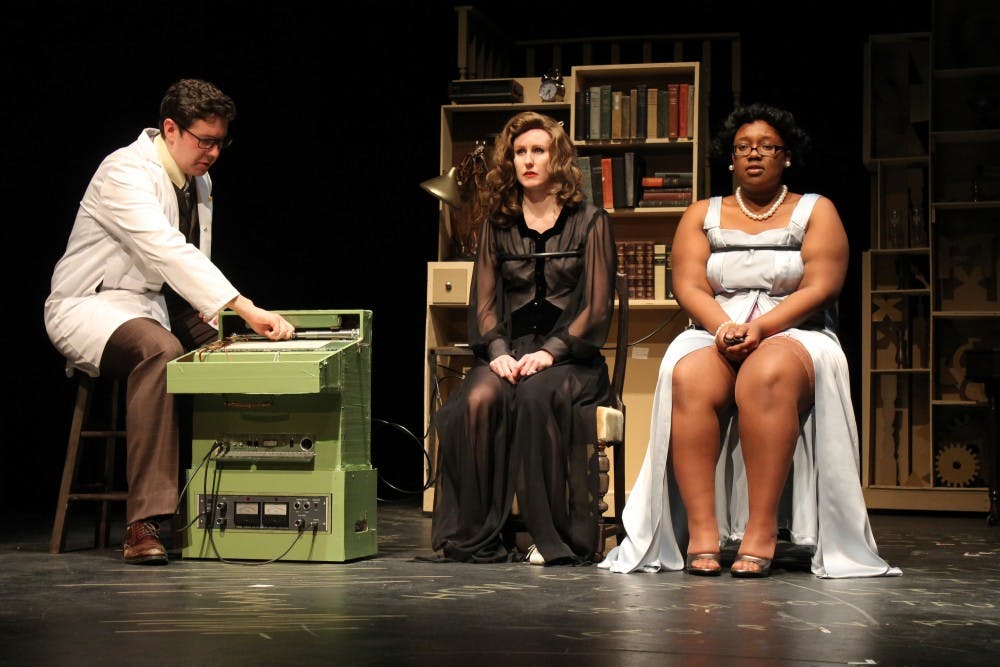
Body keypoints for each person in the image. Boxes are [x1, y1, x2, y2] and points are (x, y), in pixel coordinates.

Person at [599, 103, 901, 579]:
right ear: (731, 157)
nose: (754, 154)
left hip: (797, 330)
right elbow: (689, 285)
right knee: (689, 376)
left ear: (787, 156)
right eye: (743, 147)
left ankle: (761, 532)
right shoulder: (701, 214)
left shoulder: (816, 210)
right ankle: (702, 532)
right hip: (716, 327)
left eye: (766, 146)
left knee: (766, 373)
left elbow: (822, 286)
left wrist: (761, 328)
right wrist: (724, 327)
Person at [44, 78, 295, 565]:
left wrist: (226, 320)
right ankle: (146, 522)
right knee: (161, 352)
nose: (214, 153)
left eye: (221, 143)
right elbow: (166, 249)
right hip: (92, 305)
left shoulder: (199, 181)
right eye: (205, 141)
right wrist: (243, 305)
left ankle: (227, 503)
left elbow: (190, 264)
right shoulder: (124, 172)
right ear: (170, 129)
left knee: (235, 351)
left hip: (158, 304)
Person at [430, 111, 617, 565]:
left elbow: (596, 307)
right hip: (511, 351)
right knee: (476, 399)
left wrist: (551, 352)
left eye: (538, 150)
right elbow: (484, 302)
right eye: (519, 152)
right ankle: (477, 535)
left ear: (558, 158)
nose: (528, 160)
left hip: (571, 358)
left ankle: (550, 536)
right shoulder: (497, 225)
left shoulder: (590, 221)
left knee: (535, 396)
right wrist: (496, 352)